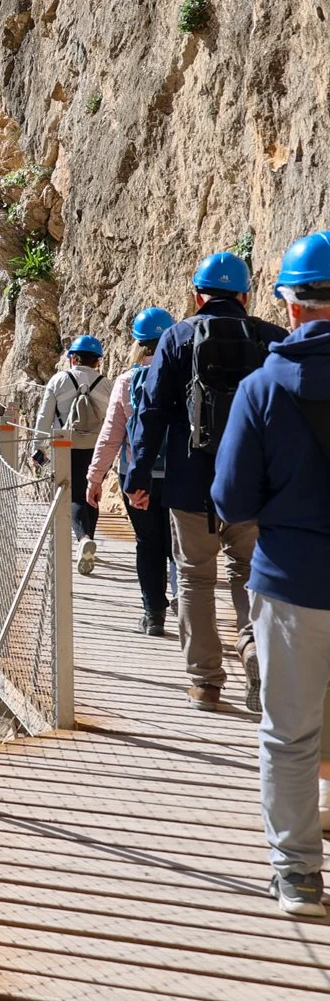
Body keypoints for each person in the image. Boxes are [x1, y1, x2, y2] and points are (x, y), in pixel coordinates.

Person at [212, 231, 330, 916]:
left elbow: (231, 499)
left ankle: (298, 876)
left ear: (289, 305)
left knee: (289, 733)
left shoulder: (261, 389)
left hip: (290, 584)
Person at [126, 250, 288, 711]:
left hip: (190, 483)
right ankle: (253, 645)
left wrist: (138, 476)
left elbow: (151, 413)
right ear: (244, 296)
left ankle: (205, 682)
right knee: (249, 570)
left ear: (197, 295)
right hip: (253, 484)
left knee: (195, 577)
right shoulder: (270, 338)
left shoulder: (177, 338)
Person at [89, 308, 176, 635]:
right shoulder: (183, 376)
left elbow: (111, 436)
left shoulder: (127, 381)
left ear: (138, 344)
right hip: (178, 474)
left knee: (148, 543)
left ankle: (153, 615)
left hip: (136, 476)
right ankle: (185, 603)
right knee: (179, 544)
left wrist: (94, 478)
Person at [33, 334, 110, 575]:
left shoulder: (58, 380)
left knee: (74, 494)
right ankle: (89, 542)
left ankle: (83, 539)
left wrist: (38, 448)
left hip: (65, 445)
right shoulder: (106, 385)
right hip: (97, 448)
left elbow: (44, 416)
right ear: (97, 361)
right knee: (92, 493)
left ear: (73, 358)